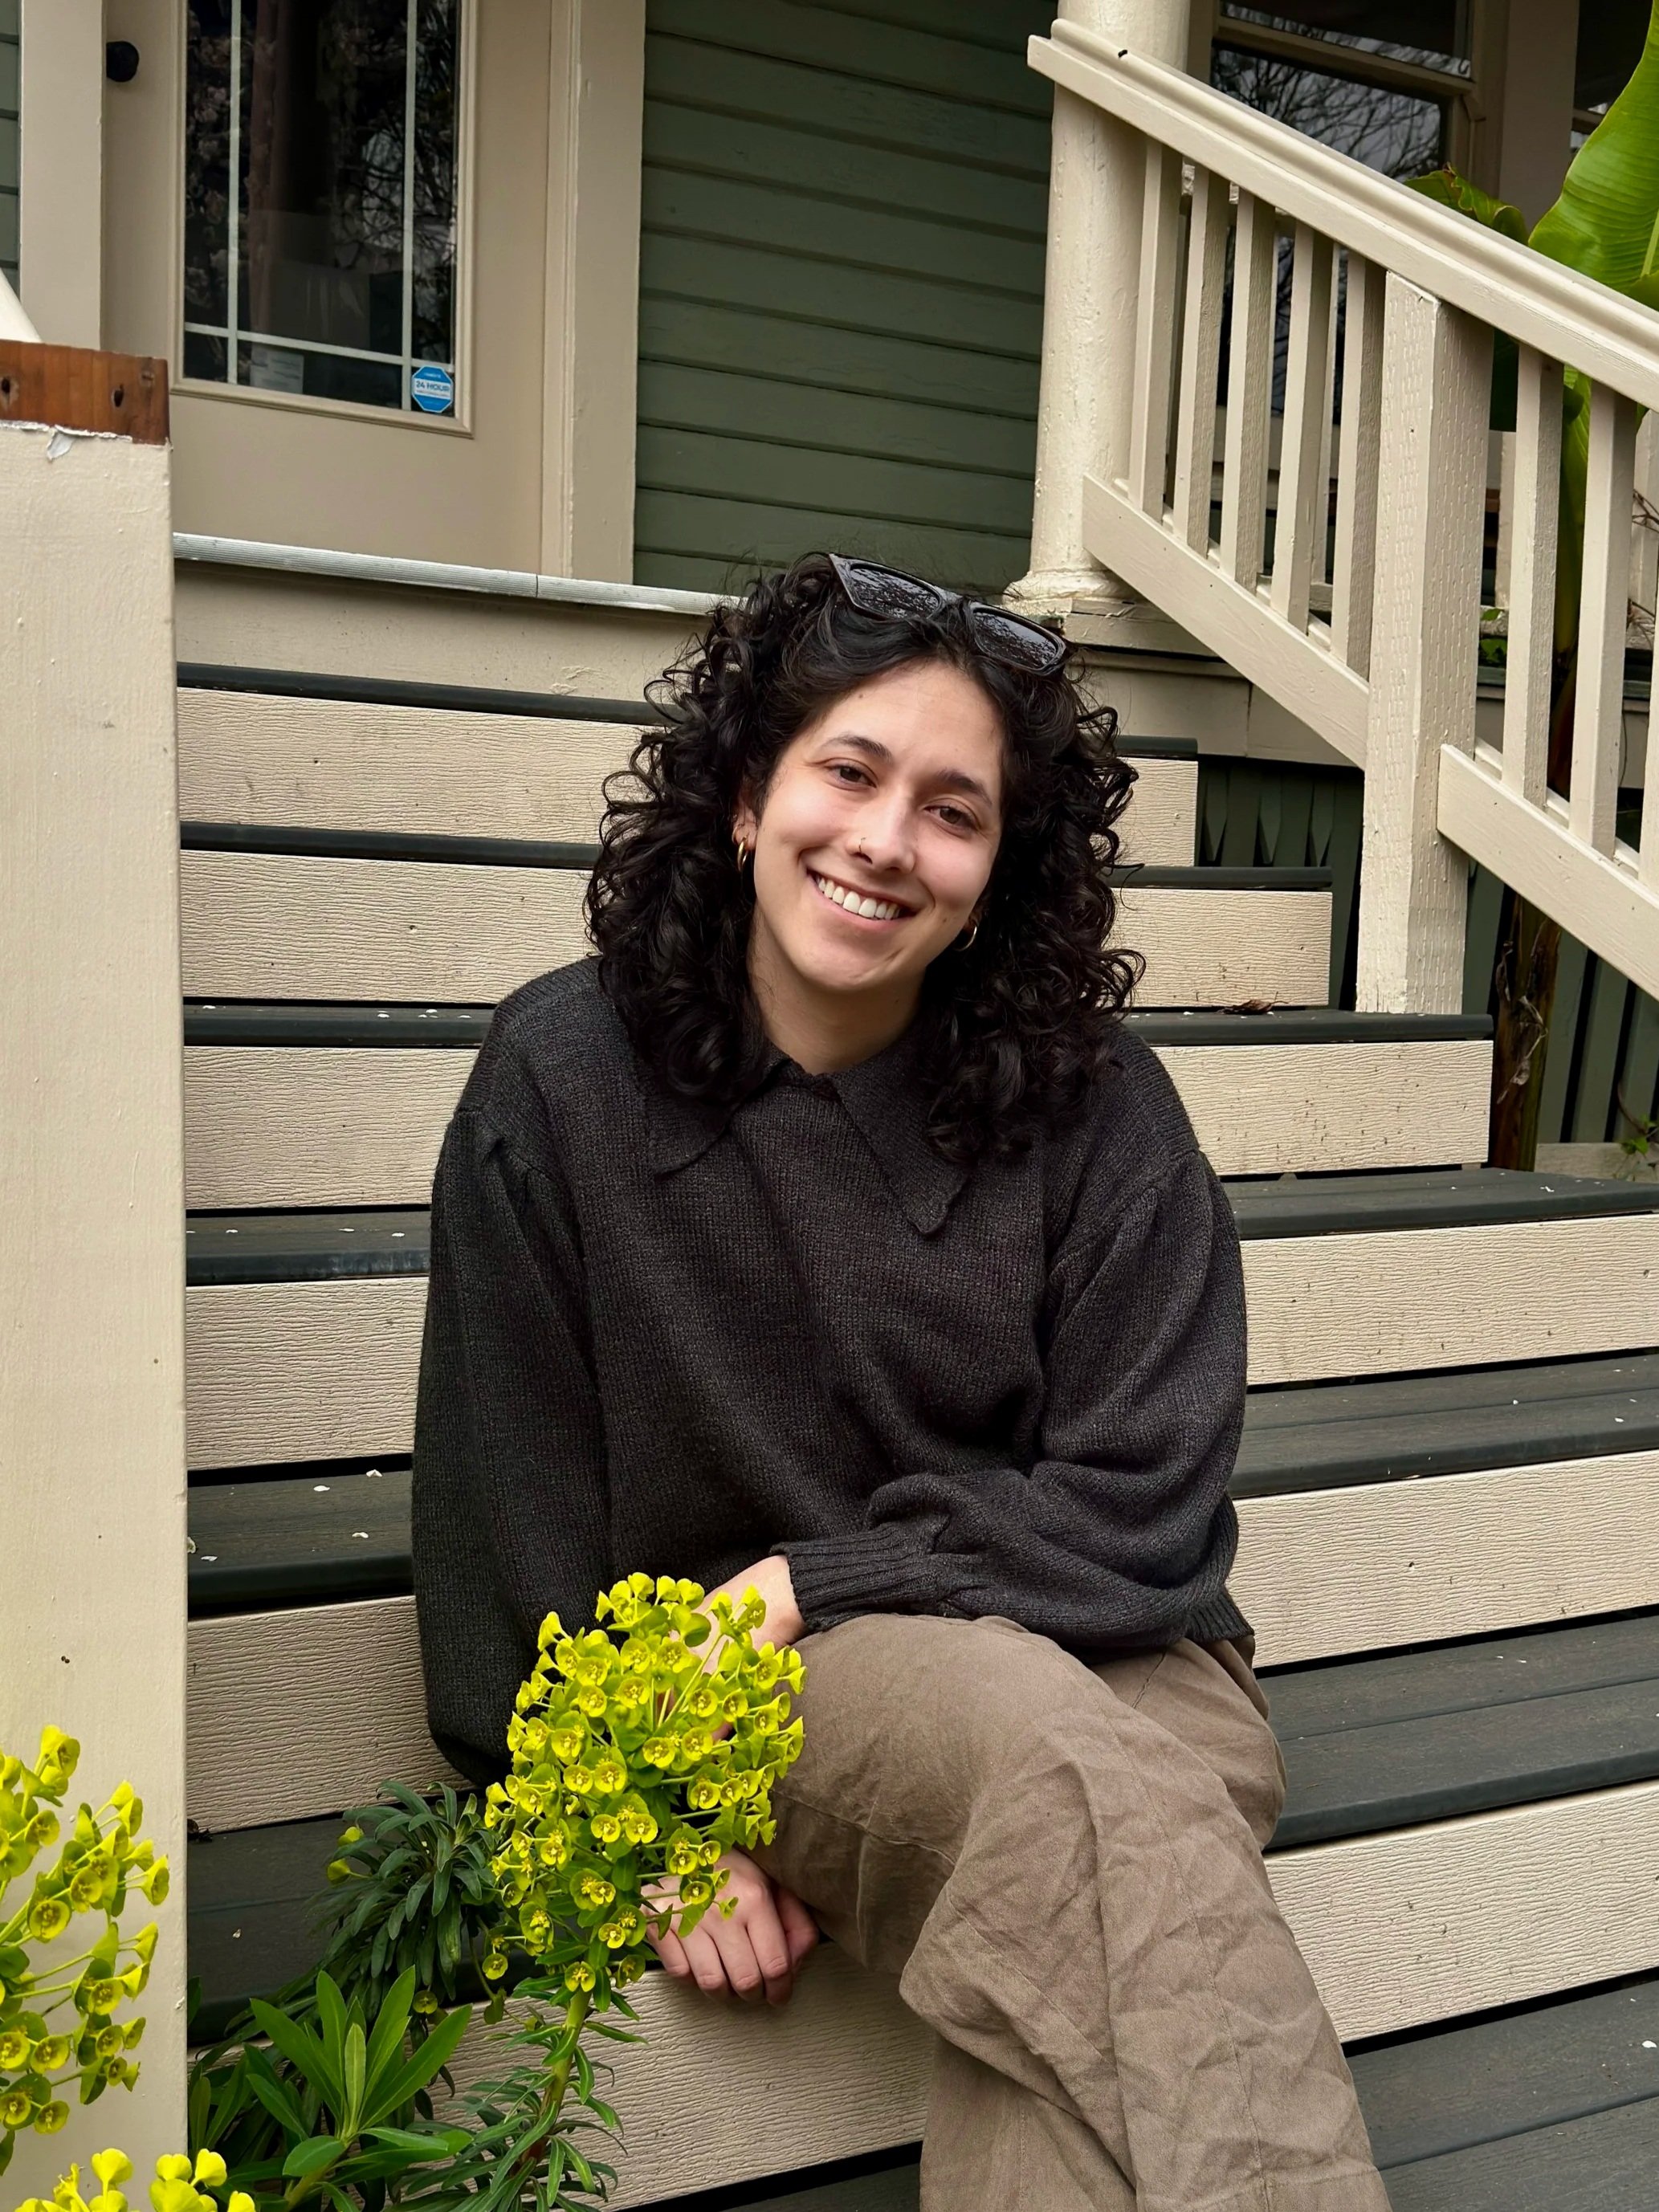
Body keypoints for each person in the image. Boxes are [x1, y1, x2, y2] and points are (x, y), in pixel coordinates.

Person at [410, 551, 1388, 2210]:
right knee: (1066, 1768)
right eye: (847, 773)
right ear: (742, 796)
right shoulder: (559, 1079)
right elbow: (508, 1527)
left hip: (1117, 1638)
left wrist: (835, 1567)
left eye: (952, 809)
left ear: (999, 869)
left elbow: (1148, 1505)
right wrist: (647, 1828)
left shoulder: (1100, 1110)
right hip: (775, 1677)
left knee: (1109, 1805)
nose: (882, 842)